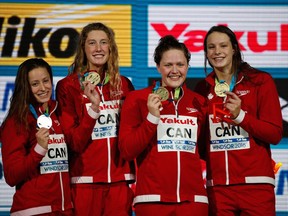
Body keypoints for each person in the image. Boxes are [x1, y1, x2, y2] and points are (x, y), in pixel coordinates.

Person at [194, 25, 283, 216]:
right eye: (211, 47)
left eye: (223, 46)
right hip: (218, 188)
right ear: (206, 52)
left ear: (234, 49)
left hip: (256, 185)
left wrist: (240, 117)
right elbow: (202, 144)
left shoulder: (260, 81)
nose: (217, 52)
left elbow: (274, 133)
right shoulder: (202, 89)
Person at [118, 35, 209, 216]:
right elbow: (127, 150)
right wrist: (152, 118)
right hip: (152, 200)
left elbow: (208, 150)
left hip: (194, 201)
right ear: (158, 67)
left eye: (180, 65)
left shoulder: (198, 101)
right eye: (168, 65)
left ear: (188, 66)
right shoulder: (138, 99)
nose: (174, 71)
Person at [56, 22, 135, 216]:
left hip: (119, 180)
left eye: (103, 42)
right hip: (84, 182)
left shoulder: (123, 84)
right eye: (92, 43)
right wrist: (93, 110)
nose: (98, 48)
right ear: (83, 47)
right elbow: (73, 142)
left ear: (111, 48)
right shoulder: (68, 86)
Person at [1, 58, 73, 216]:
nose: (43, 88)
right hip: (34, 210)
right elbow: (12, 176)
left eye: (46, 81)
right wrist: (39, 149)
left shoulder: (59, 112)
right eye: (35, 84)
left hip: (64, 209)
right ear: (25, 87)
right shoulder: (18, 121)